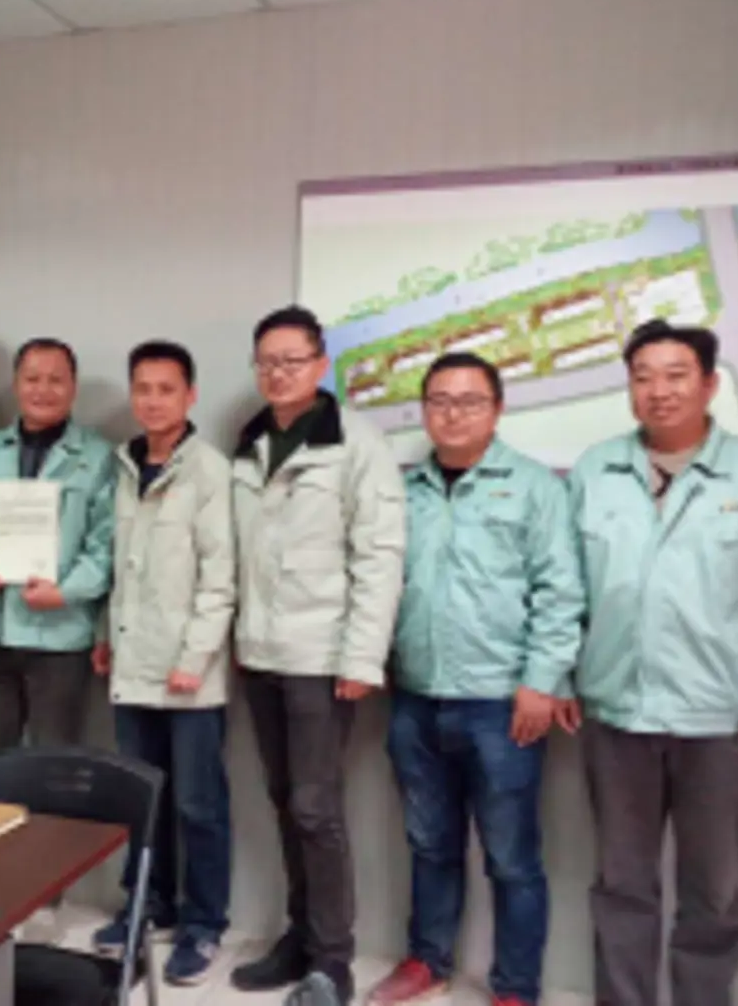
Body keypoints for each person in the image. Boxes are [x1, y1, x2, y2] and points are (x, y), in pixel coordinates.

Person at [568, 319, 738, 1006]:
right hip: (617, 713)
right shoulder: (596, 470)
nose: (659, 390)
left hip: (719, 720)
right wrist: (560, 676)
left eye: (676, 375)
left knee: (712, 892)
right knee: (620, 885)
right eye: (643, 377)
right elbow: (567, 589)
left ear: (709, 384)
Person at [366, 353, 583, 1006]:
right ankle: (427, 960)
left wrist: (541, 682)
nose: (452, 414)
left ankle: (516, 987)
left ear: (497, 408)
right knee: (429, 844)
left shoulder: (534, 487)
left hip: (501, 704)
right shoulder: (404, 491)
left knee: (512, 859)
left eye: (469, 401)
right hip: (415, 699)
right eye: (439, 401)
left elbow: (560, 591)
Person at [230, 306, 406, 1006]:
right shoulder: (249, 443)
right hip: (260, 654)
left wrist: (362, 658)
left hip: (322, 657)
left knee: (316, 809)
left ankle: (332, 961)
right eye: (267, 361)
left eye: (292, 360)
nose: (279, 373)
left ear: (321, 365)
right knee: (282, 800)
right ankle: (300, 938)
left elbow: (380, 555)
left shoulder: (357, 444)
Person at [89, 340, 236, 986]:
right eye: (143, 389)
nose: (152, 401)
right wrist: (105, 633)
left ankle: (204, 925)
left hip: (188, 672)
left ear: (190, 395)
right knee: (143, 798)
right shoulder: (123, 465)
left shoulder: (209, 470)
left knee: (199, 804)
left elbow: (220, 578)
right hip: (133, 661)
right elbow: (119, 566)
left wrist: (195, 657)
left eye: (166, 389)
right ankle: (149, 906)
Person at [0, 337, 114, 752]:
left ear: (73, 387)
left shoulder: (98, 457)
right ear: (16, 384)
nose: (43, 390)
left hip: (59, 635)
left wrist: (65, 591)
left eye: (56, 380)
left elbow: (106, 546)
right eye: (32, 379)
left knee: (52, 761)